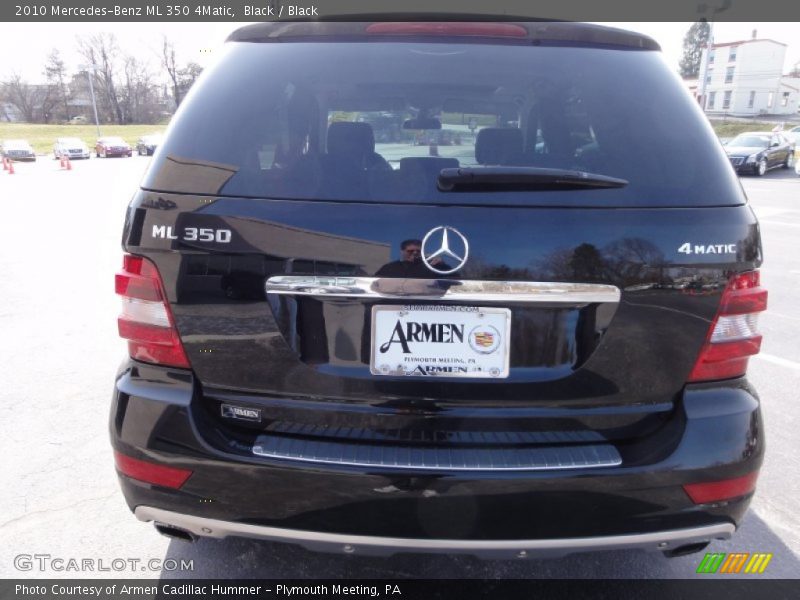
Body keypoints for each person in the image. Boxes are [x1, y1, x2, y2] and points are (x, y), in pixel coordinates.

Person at [375, 239, 451, 277]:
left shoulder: (432, 266)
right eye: (410, 251)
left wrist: (442, 264)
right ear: (402, 251)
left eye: (418, 251)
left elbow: (455, 279)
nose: (415, 253)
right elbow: (374, 285)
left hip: (425, 305)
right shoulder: (389, 268)